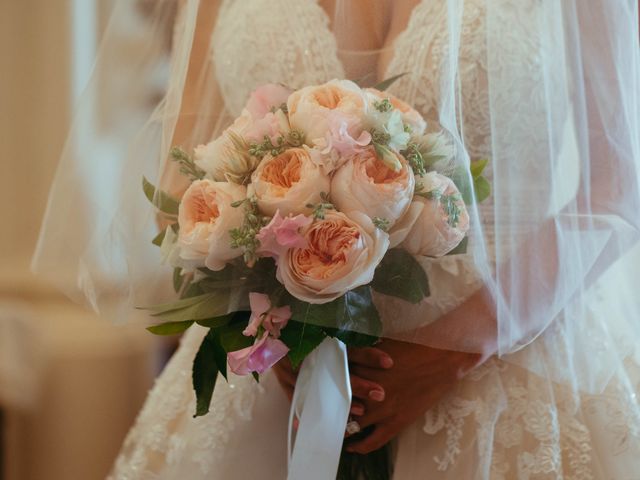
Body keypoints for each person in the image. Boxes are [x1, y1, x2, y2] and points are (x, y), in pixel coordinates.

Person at [34, 0, 640, 478]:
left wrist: (456, 348)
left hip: (513, 353)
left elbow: (615, 192)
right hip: (276, 373)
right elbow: (183, 178)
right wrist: (266, 330)